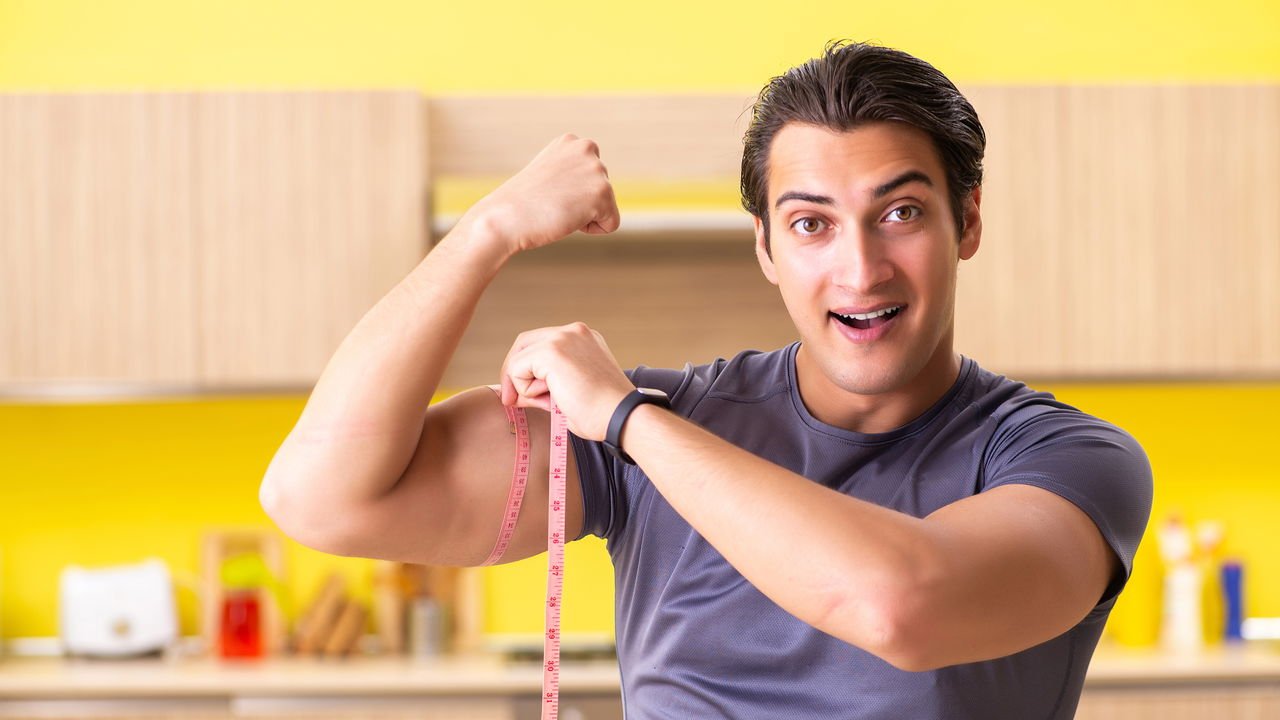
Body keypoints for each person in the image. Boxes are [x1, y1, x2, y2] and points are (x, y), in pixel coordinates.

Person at [260, 41, 1153, 719]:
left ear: (968, 222)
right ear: (765, 247)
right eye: (811, 225)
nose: (860, 269)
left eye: (901, 212)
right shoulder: (661, 425)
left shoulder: (1068, 461)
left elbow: (899, 608)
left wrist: (629, 420)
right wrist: (485, 232)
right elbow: (319, 498)